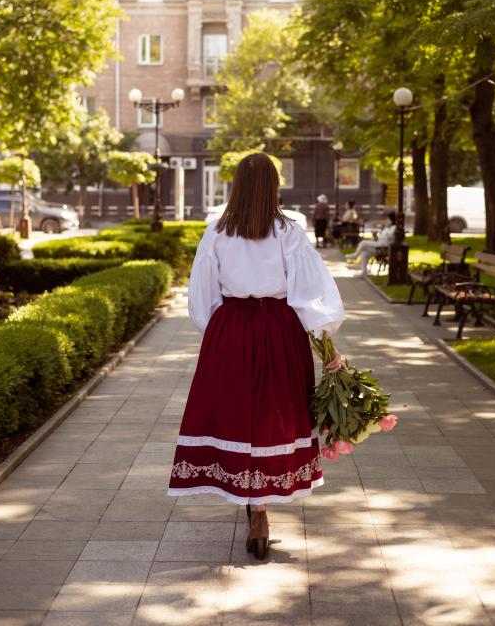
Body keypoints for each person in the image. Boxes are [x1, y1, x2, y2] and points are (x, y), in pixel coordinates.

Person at [168, 153, 345, 560]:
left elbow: (202, 298)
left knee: (236, 414)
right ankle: (260, 509)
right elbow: (308, 295)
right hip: (279, 330)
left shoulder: (216, 231)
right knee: (272, 415)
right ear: (273, 187)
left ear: (236, 186)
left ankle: (252, 502)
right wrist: (328, 347)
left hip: (230, 328)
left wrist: (219, 330)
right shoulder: (289, 231)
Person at [345, 211, 396, 276]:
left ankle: (355, 255)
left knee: (363, 243)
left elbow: (390, 236)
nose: (386, 221)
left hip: (383, 247)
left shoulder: (394, 228)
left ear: (391, 220)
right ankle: (364, 272)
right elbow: (382, 237)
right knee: (364, 253)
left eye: (387, 219)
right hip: (379, 245)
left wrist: (387, 228)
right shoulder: (387, 228)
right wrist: (376, 236)